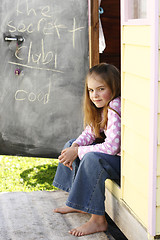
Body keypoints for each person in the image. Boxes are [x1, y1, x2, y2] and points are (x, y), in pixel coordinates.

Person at [53, 63, 121, 237]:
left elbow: (113, 147)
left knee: (91, 159)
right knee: (71, 143)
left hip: (123, 162)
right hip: (114, 157)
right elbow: (89, 133)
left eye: (100, 89)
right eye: (91, 90)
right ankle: (76, 201)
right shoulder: (102, 107)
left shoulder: (115, 106)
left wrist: (80, 151)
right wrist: (76, 147)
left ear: (114, 87)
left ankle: (98, 220)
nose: (95, 95)